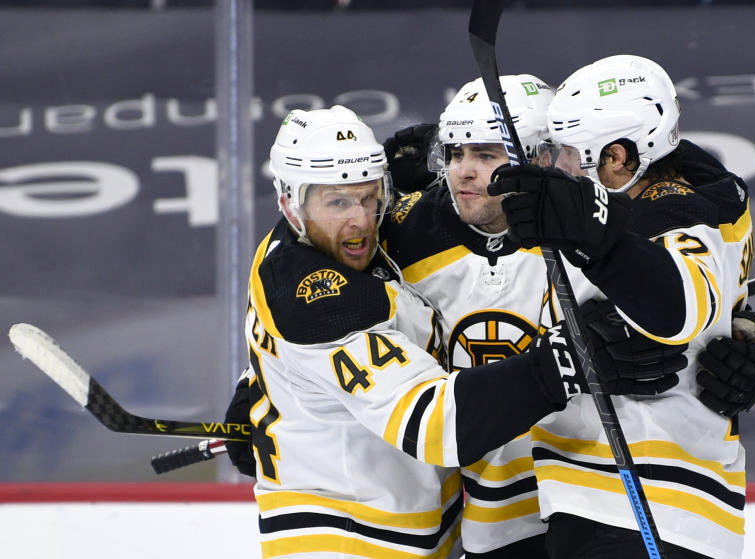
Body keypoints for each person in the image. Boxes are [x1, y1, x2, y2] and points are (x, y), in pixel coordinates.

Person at [378, 72, 755, 559]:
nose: (463, 171)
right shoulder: (411, 236)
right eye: (453, 154)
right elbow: (323, 255)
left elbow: (686, 278)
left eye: (487, 153)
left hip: (610, 498)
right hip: (498, 518)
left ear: (543, 157)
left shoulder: (605, 220)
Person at [229, 104, 664, 559]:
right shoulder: (322, 299)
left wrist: (260, 389)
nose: (358, 219)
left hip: (414, 533)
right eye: (337, 202)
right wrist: (563, 363)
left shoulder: (306, 241)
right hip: (345, 537)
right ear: (289, 203)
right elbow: (436, 426)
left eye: (369, 196)